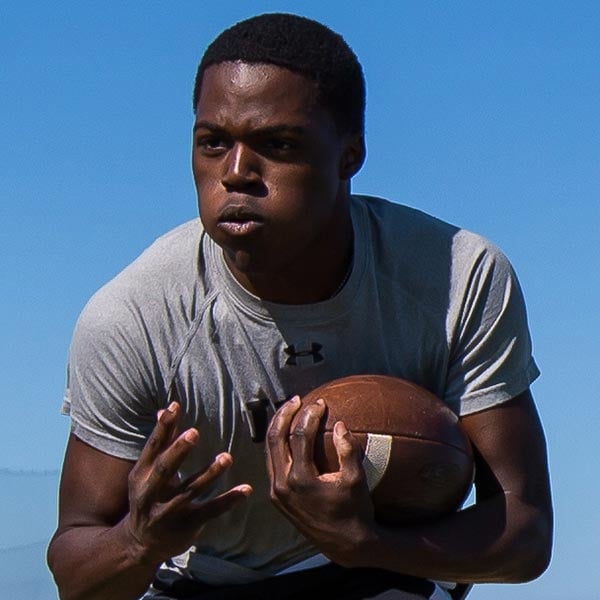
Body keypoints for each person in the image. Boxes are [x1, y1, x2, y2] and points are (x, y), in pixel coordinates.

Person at [47, 13, 553, 600]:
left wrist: (366, 544)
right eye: (213, 143)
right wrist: (139, 541)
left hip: (384, 571)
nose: (236, 173)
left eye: (277, 144)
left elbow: (526, 532)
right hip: (204, 581)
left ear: (349, 155)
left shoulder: (455, 277)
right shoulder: (134, 317)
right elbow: (76, 574)